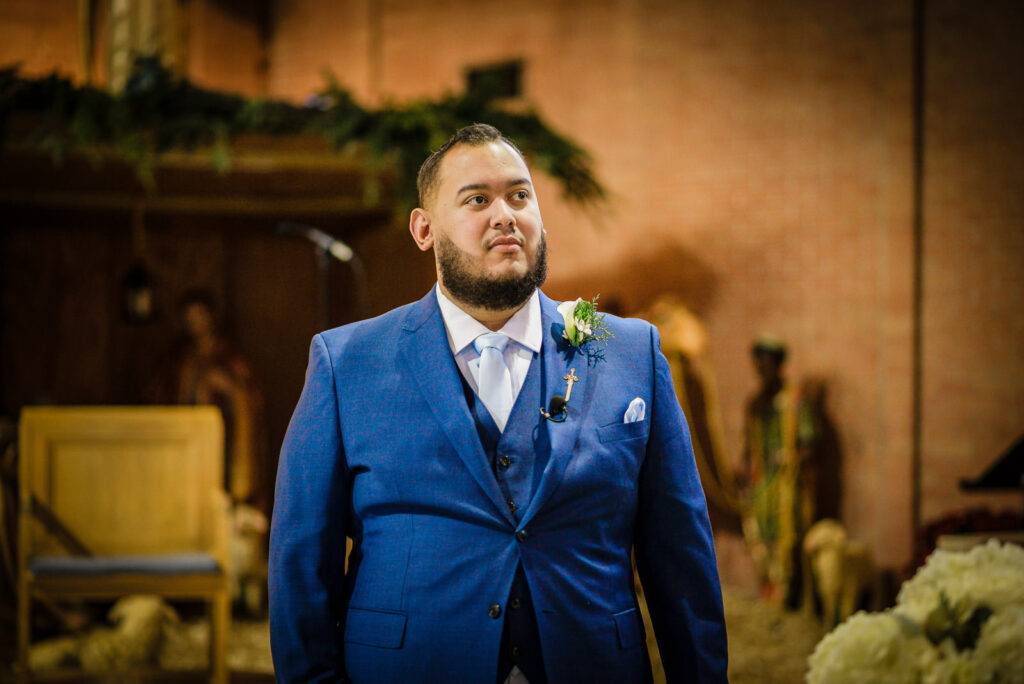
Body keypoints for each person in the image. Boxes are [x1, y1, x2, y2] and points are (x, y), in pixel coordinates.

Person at [268, 124, 727, 682]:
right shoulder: (347, 363)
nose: (505, 214)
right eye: (477, 199)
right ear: (424, 229)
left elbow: (682, 562)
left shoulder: (632, 353)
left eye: (519, 195)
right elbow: (301, 567)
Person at [738, 335, 819, 609]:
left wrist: (790, 459)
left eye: (766, 362)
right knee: (760, 538)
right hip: (762, 484)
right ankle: (768, 598)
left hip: (787, 483)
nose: (760, 368)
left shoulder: (796, 399)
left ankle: (787, 602)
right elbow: (749, 444)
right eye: (757, 362)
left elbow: (809, 442)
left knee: (787, 540)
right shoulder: (755, 403)